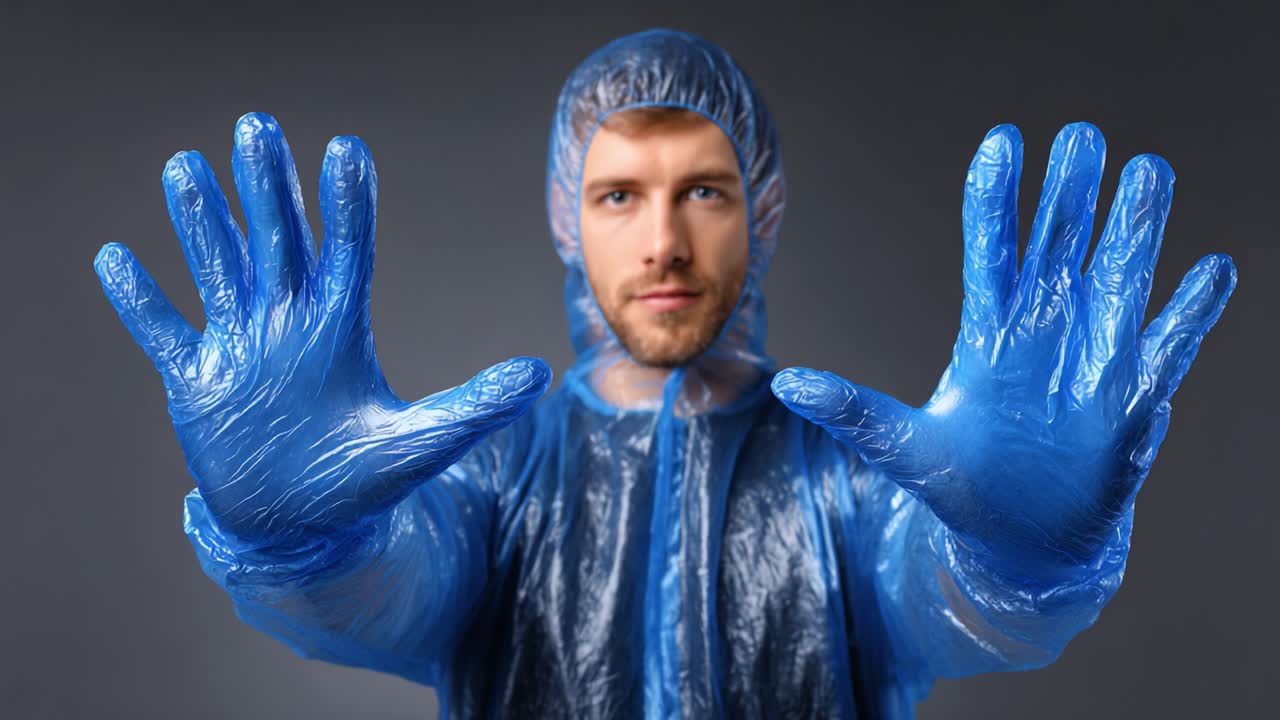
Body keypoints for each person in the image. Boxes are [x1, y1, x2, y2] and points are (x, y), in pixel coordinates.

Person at [92, 28, 1236, 719]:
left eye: (703, 190)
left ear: (762, 212)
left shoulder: (846, 484)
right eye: (617, 195)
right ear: (564, 218)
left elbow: (942, 597)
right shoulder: (497, 480)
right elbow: (390, 592)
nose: (662, 245)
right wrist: (295, 546)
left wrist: (1020, 552)